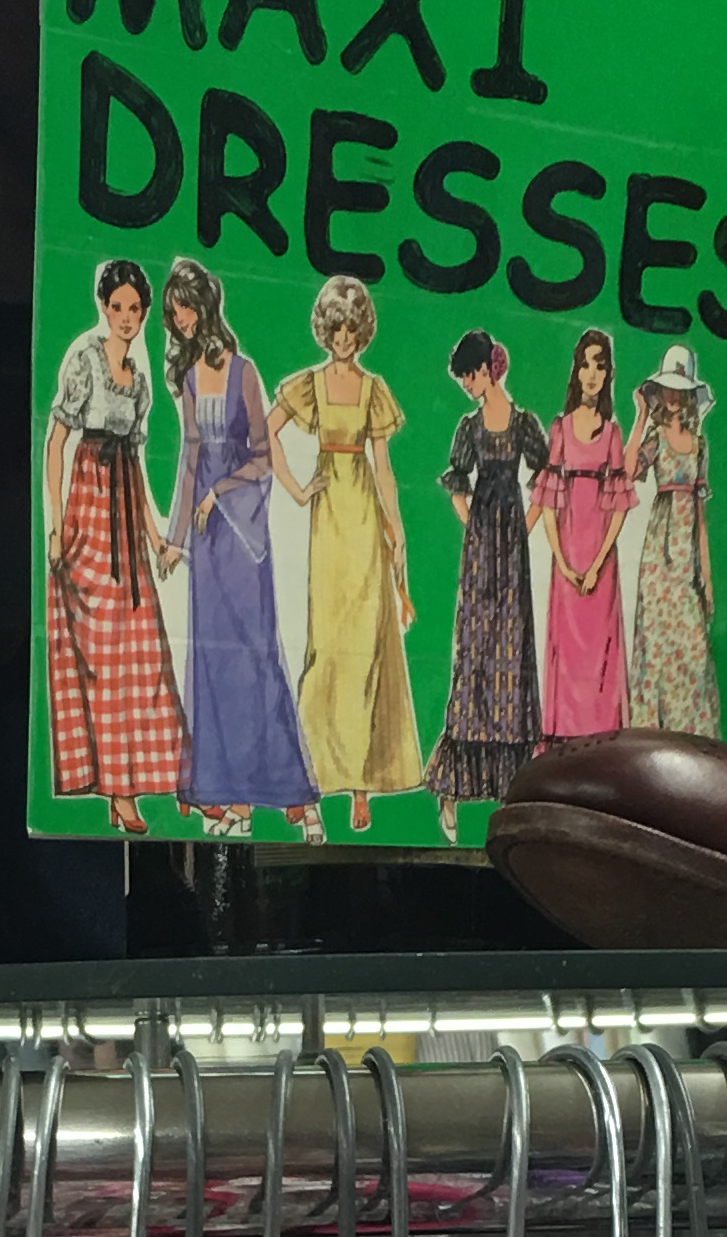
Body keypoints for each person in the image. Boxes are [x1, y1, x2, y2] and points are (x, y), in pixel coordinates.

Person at [160, 258, 318, 840]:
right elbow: (187, 460)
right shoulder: (186, 378)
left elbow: (261, 456)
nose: (180, 319)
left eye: (186, 307)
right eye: (173, 312)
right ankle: (233, 798)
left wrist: (218, 493)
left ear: (205, 306)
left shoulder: (243, 370)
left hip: (243, 534)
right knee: (213, 662)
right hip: (204, 544)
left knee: (255, 657)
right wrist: (175, 537)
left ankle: (290, 794)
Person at [42, 257, 188, 832]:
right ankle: (115, 791)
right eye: (117, 307)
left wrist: (156, 535)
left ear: (145, 314)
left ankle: (154, 780)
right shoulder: (84, 358)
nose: (126, 317)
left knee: (144, 653)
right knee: (101, 654)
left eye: (135, 309)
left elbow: (138, 468)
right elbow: (56, 442)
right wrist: (55, 526)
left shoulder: (141, 382)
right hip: (88, 504)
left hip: (125, 509)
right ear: (104, 308)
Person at [269, 279, 420, 831]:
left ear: (362, 332)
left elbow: (385, 469)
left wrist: (397, 529)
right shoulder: (309, 384)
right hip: (328, 519)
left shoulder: (374, 388)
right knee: (326, 651)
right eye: (337, 329)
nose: (344, 339)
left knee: (364, 651)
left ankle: (359, 787)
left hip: (365, 522)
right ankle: (307, 778)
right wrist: (295, 488)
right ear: (326, 329)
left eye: (352, 330)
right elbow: (266, 433)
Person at [426, 332, 549, 840]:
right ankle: (452, 790)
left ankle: (509, 787)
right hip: (481, 554)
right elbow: (456, 482)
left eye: (467, 375)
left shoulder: (525, 424)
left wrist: (524, 528)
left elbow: (546, 478)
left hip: (513, 553)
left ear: (485, 370)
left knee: (511, 654)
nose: (464, 384)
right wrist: (474, 527)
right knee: (474, 653)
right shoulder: (468, 427)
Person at [530, 329, 632, 738]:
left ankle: (603, 739)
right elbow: (547, 503)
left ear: (608, 374)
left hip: (600, 556)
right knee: (567, 651)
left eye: (600, 366)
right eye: (586, 364)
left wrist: (598, 564)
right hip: (567, 554)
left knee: (601, 653)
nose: (592, 374)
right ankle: (563, 738)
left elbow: (620, 508)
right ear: (576, 371)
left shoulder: (613, 433)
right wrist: (561, 561)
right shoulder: (559, 429)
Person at [625, 347, 721, 736]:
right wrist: (640, 416)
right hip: (658, 552)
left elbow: (701, 516)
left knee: (693, 646)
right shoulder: (656, 437)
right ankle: (652, 732)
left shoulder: (699, 445)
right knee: (657, 642)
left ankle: (691, 733)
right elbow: (628, 470)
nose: (673, 396)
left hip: (687, 553)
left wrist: (707, 576)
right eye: (668, 387)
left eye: (680, 389)